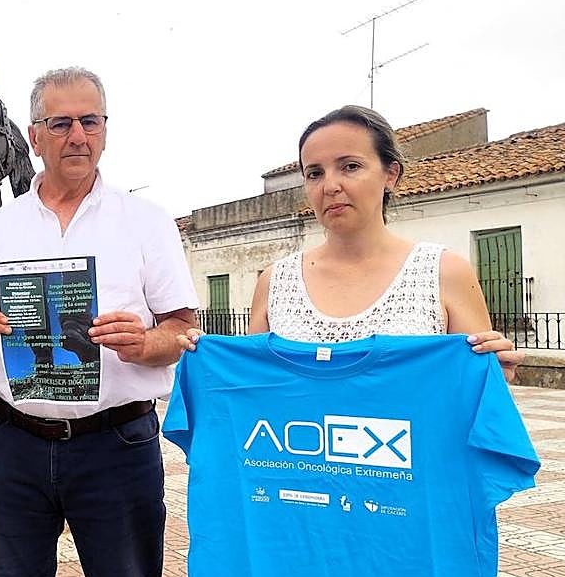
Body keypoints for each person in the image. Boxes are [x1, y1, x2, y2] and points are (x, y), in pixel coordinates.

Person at [0, 66, 199, 577]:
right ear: (34, 136)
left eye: (90, 121)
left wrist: (146, 343)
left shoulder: (146, 222)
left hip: (116, 446)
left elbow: (181, 331)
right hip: (14, 444)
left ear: (106, 132)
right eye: (60, 123)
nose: (77, 135)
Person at [179, 104, 521, 376]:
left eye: (350, 167)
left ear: (390, 174)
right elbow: (256, 385)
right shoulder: (275, 282)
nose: (330, 186)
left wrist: (494, 372)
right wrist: (209, 358)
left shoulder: (444, 272)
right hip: (301, 461)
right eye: (315, 173)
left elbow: (475, 397)